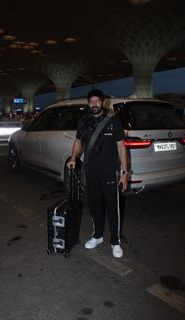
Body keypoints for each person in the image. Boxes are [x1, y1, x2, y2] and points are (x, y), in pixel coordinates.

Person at [67, 89, 128, 258]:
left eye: (97, 101)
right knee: (94, 206)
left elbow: (121, 147)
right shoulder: (83, 121)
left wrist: (125, 172)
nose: (94, 104)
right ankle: (98, 235)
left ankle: (115, 241)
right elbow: (78, 141)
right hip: (91, 171)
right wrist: (73, 157)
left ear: (103, 102)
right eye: (91, 101)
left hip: (109, 172)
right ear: (88, 103)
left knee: (112, 207)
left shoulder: (114, 121)